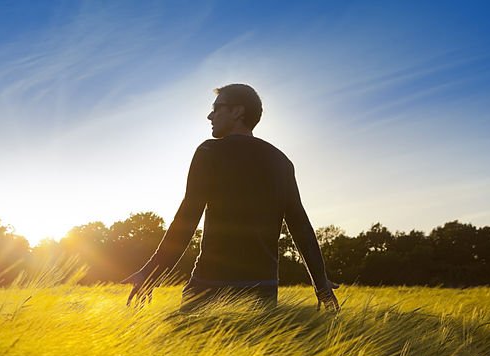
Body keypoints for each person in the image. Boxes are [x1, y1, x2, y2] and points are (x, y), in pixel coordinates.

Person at [123, 83, 340, 312]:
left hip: (210, 287)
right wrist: (321, 283)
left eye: (217, 108)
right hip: (262, 293)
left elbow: (188, 216)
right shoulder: (282, 162)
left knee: (194, 347)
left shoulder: (210, 152)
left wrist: (152, 272)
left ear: (238, 111)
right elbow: (301, 227)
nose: (210, 115)